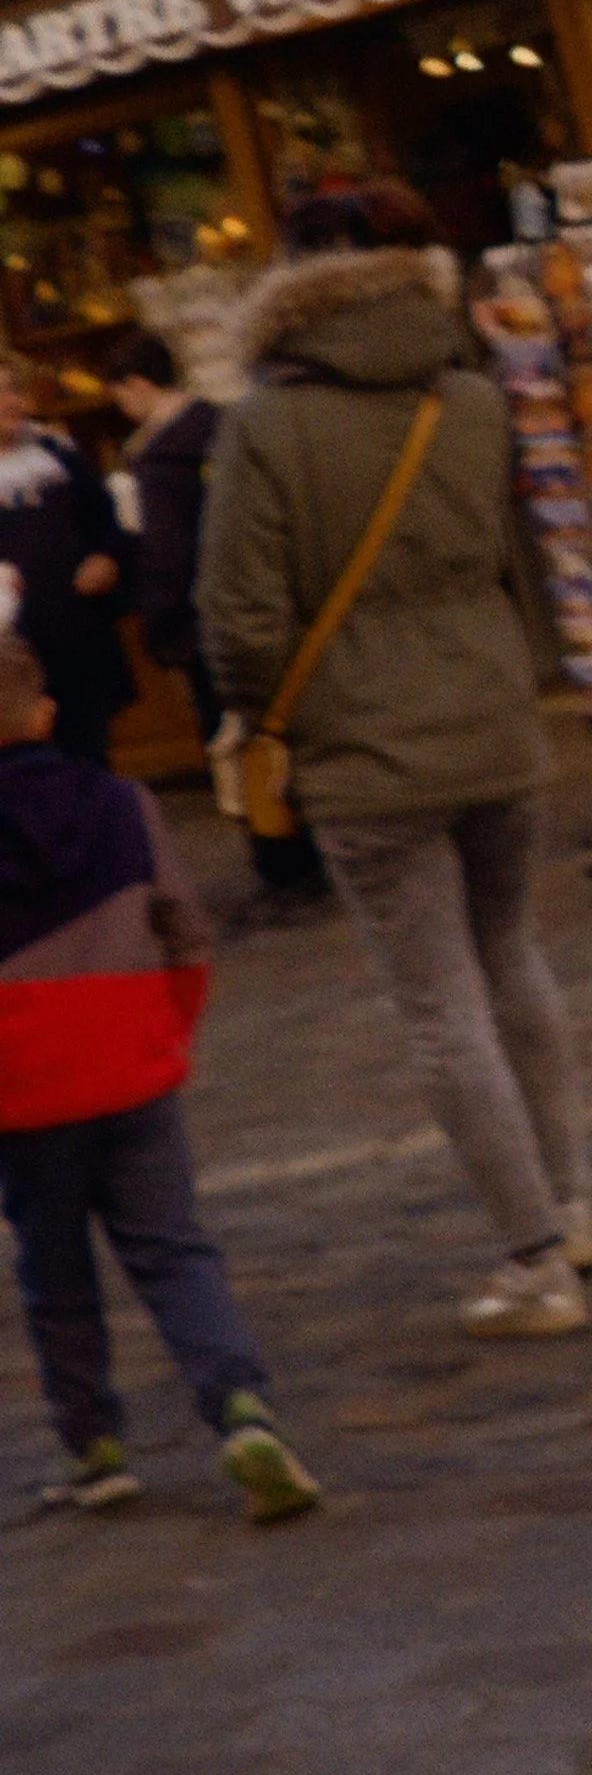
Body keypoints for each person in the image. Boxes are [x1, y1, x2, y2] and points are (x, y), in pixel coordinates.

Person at [197, 181, 592, 1340]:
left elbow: (238, 615)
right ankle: (569, 1206)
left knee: (439, 1003)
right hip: (491, 720)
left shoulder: (266, 424)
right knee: (512, 957)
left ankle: (532, 1261)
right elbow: (516, 553)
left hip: (364, 749)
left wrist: (269, 714)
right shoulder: (468, 394)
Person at [0, 634, 317, 1520]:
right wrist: (167, 1029)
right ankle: (241, 1406)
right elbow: (186, 930)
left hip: (21, 1084)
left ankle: (95, 1445)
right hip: (134, 1063)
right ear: (45, 713)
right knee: (175, 1249)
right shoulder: (124, 804)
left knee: (53, 1269)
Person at [105, 328, 326, 907]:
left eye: (121, 397)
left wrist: (160, 626)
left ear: (138, 384)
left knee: (236, 738)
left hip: (206, 618)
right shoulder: (228, 427)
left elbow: (168, 553)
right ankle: (315, 836)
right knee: (286, 722)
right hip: (271, 601)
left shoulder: (161, 458)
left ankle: (279, 849)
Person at [0, 355, 130, 766]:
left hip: (77, 635)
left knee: (91, 755)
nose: (10, 401)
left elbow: (108, 520)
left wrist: (105, 557)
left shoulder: (55, 453)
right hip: (13, 650)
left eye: (12, 390)